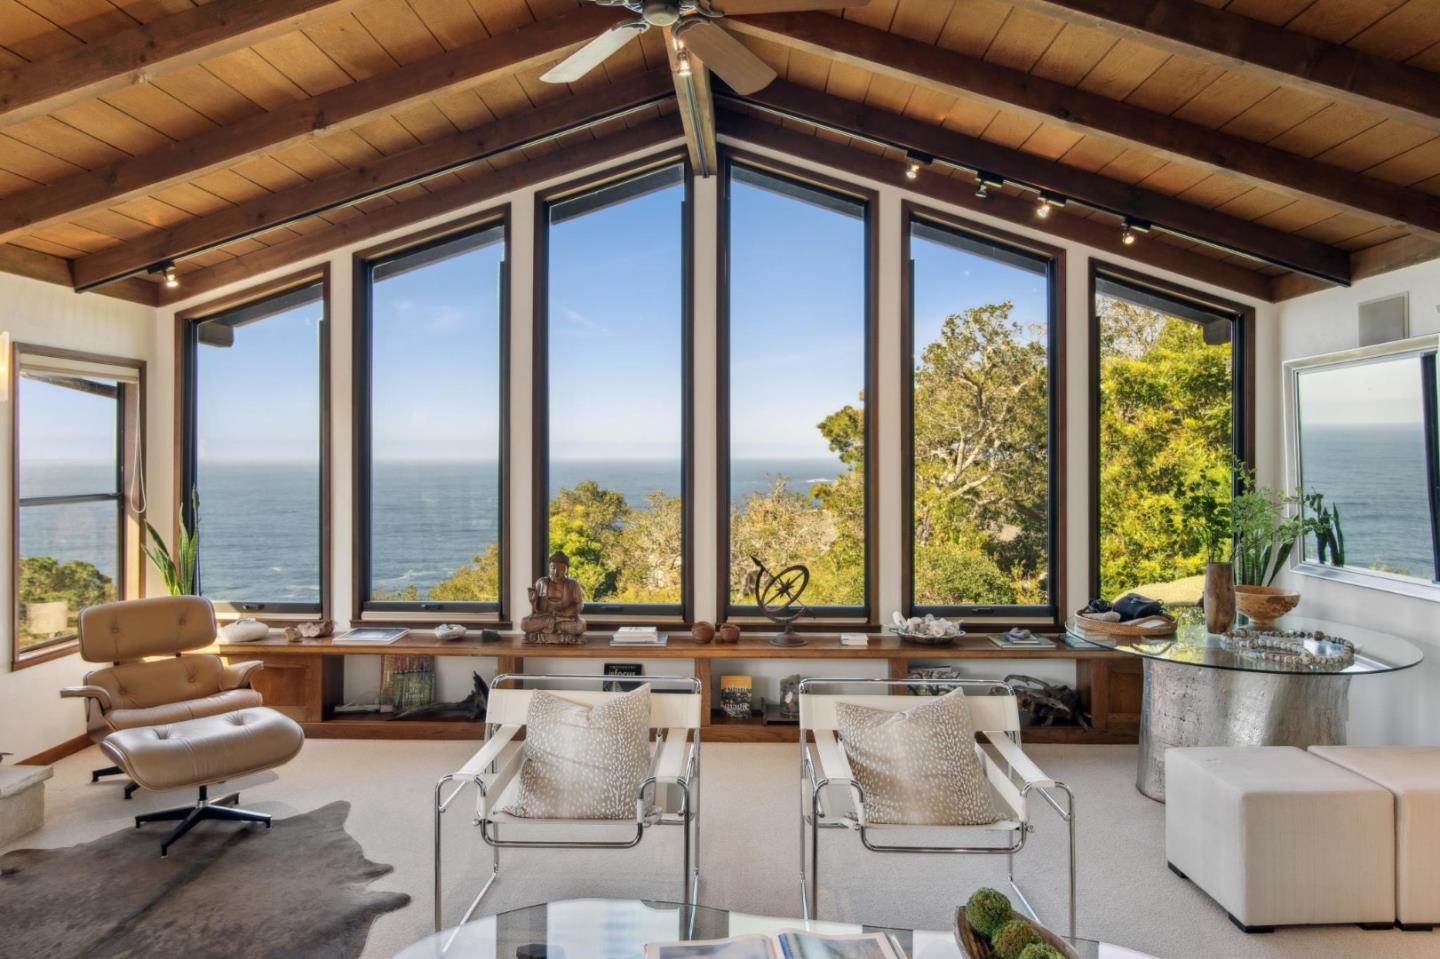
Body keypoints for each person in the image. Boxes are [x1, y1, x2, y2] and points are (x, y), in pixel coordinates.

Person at [521, 550, 587, 642]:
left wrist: (566, 612)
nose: (556, 573)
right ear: (549, 567)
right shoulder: (541, 583)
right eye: (553, 568)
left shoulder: (573, 584)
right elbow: (536, 611)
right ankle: (554, 626)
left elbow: (579, 605)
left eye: (561, 569)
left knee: (581, 625)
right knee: (524, 623)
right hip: (545, 617)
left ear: (566, 569)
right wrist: (533, 601)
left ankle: (550, 627)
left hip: (564, 619)